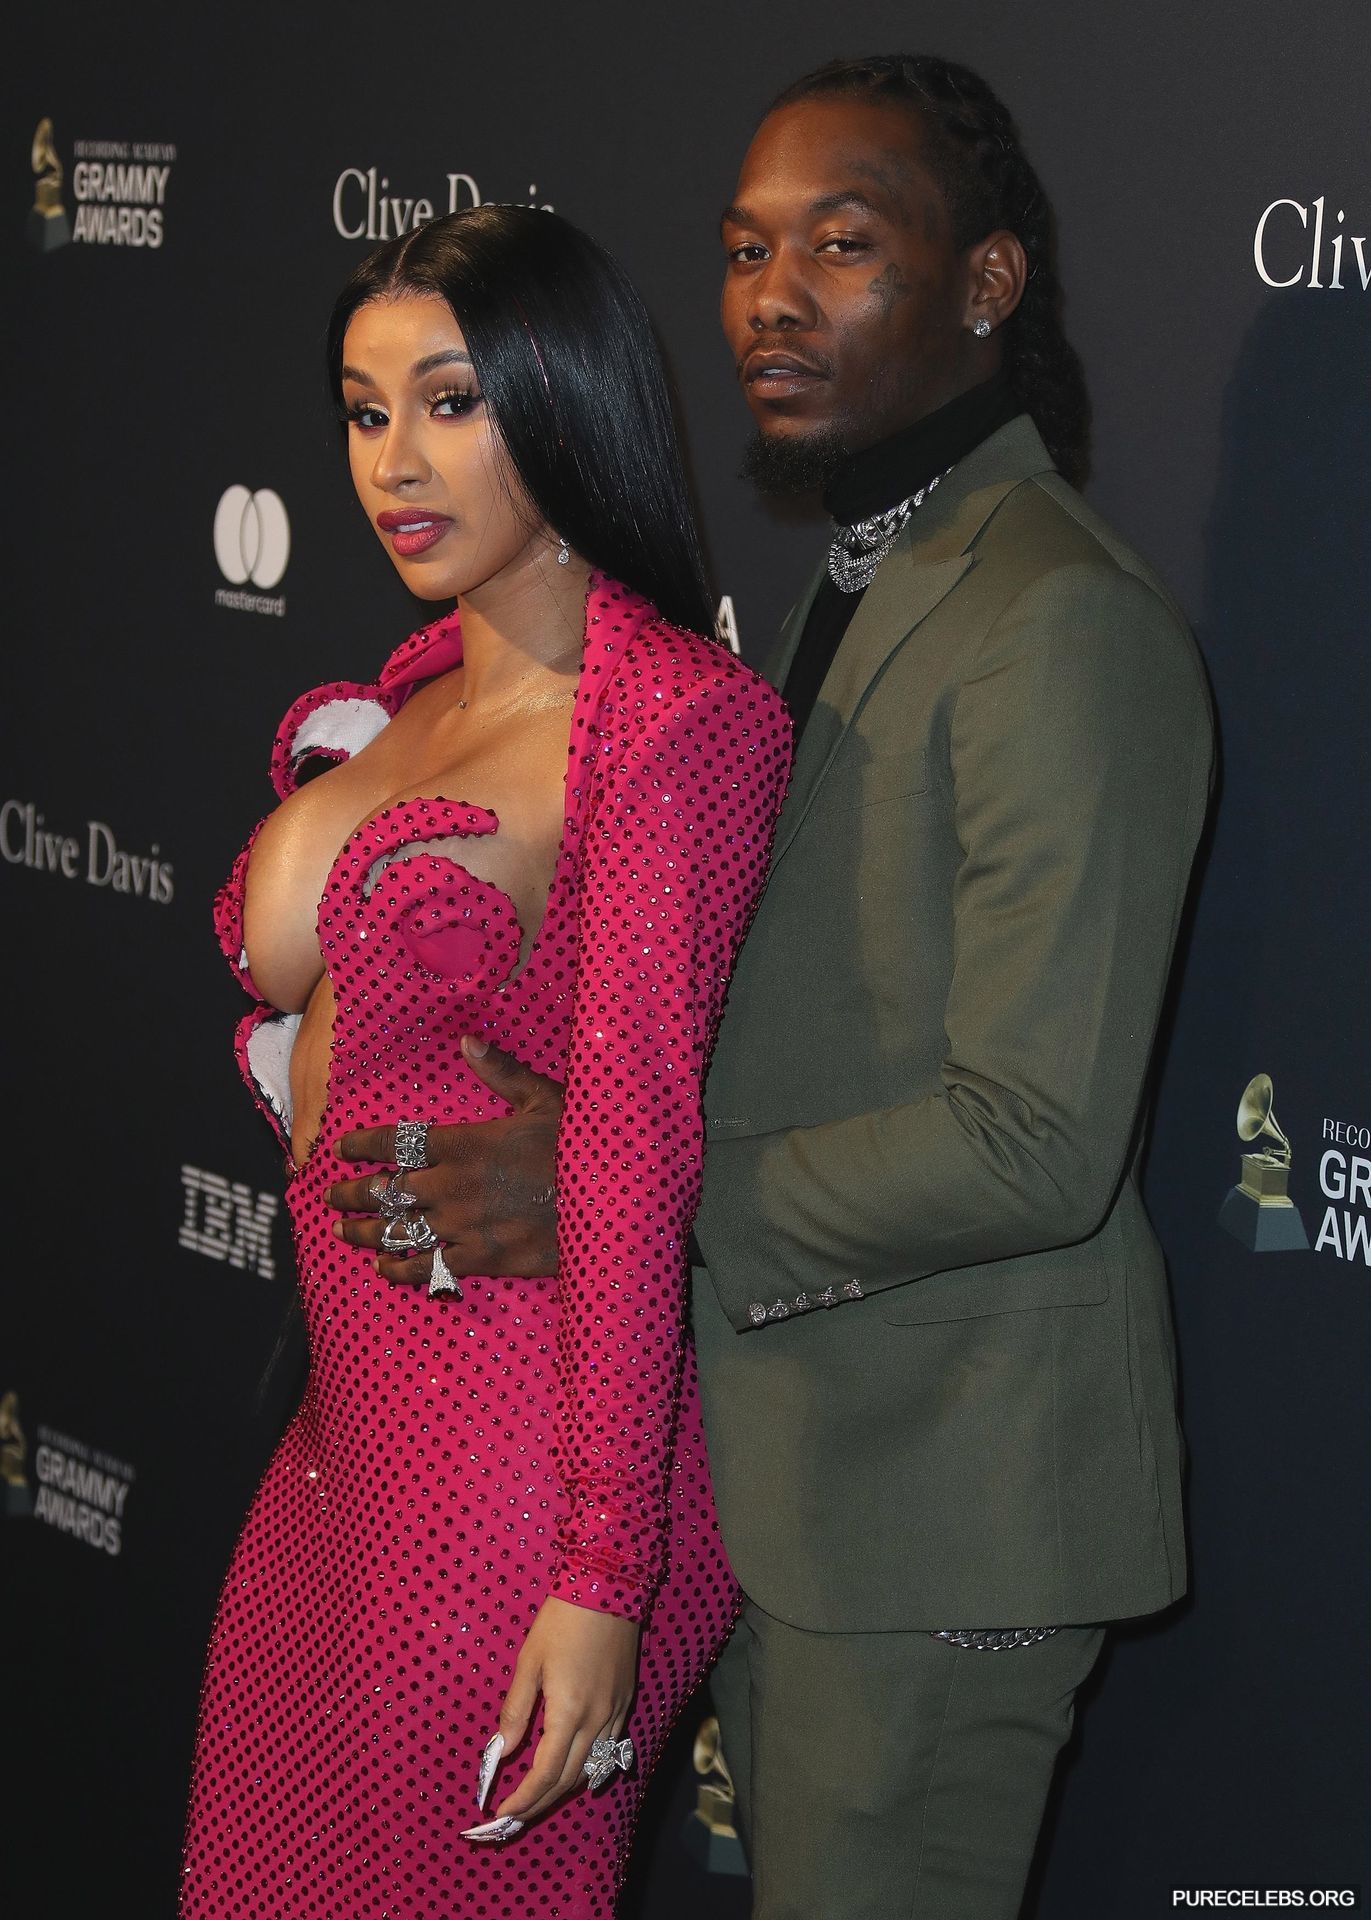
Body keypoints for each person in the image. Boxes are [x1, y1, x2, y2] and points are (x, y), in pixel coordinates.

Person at [328, 54, 1214, 1920]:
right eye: (745, 251)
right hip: (791, 1481)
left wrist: (616, 1188)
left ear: (987, 282)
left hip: (943, 1520)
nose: (773, 297)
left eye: (842, 245)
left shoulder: (1058, 618)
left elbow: (1035, 1138)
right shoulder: (859, 583)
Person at [180, 205, 791, 1920]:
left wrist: (602, 1574)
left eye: (451, 402)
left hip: (525, 1495)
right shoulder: (421, 687)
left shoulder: (672, 722)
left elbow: (633, 1151)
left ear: (566, 396)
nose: (395, 461)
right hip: (340, 1460)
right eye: (365, 411)